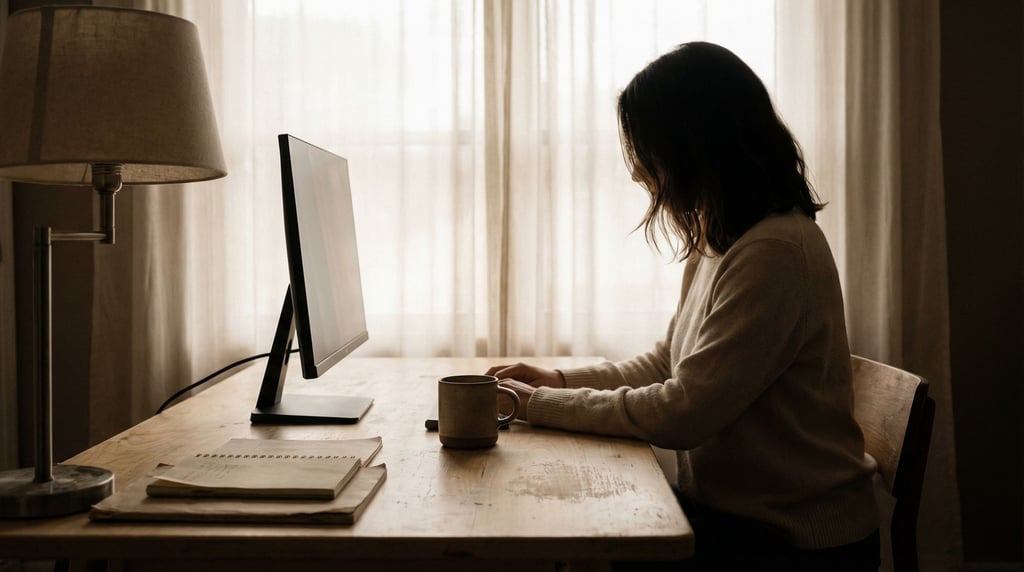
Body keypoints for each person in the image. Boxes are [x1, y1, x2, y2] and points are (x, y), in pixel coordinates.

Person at [487, 42, 881, 571]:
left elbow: (683, 413)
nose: (637, 173)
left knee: (565, 540)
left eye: (646, 151)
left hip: (793, 540)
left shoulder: (775, 252)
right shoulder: (722, 240)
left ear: (693, 147)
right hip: (739, 518)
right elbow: (666, 364)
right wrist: (556, 380)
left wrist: (533, 407)